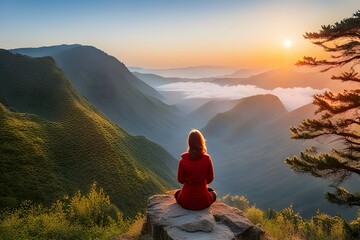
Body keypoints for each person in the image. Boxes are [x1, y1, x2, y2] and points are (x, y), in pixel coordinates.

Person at [174, 129, 217, 210]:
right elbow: (210, 179)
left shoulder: (183, 161)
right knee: (213, 193)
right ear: (201, 142)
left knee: (177, 193)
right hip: (202, 202)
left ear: (189, 143)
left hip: (186, 202)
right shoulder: (207, 159)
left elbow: (181, 180)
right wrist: (200, 182)